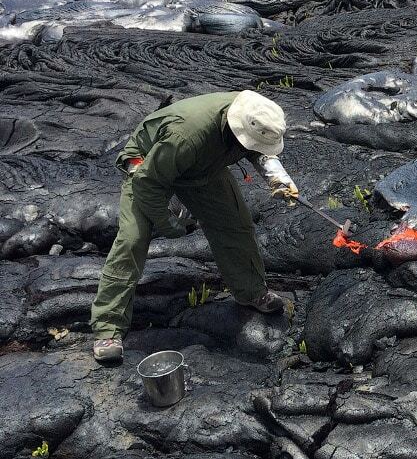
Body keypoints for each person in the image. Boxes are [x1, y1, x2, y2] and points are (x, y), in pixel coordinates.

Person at [90, 90, 299, 362]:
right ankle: (108, 326)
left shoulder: (256, 112)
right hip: (147, 165)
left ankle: (251, 293)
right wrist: (168, 225)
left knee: (235, 225)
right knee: (132, 240)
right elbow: (148, 182)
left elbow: (258, 147)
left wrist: (278, 179)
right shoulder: (186, 136)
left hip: (203, 168)